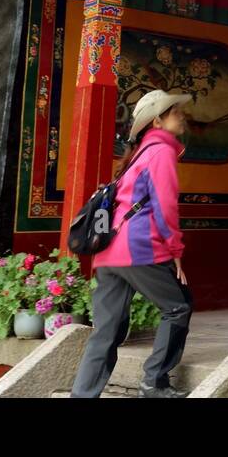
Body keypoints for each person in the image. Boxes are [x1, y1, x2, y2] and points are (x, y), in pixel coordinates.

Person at [71, 90, 194, 398]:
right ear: (158, 120)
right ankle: (154, 382)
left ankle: (83, 395)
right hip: (138, 249)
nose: (182, 117)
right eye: (176, 112)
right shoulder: (161, 152)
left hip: (109, 254)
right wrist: (175, 251)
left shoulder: (138, 154)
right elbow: (166, 207)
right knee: (178, 306)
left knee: (106, 332)